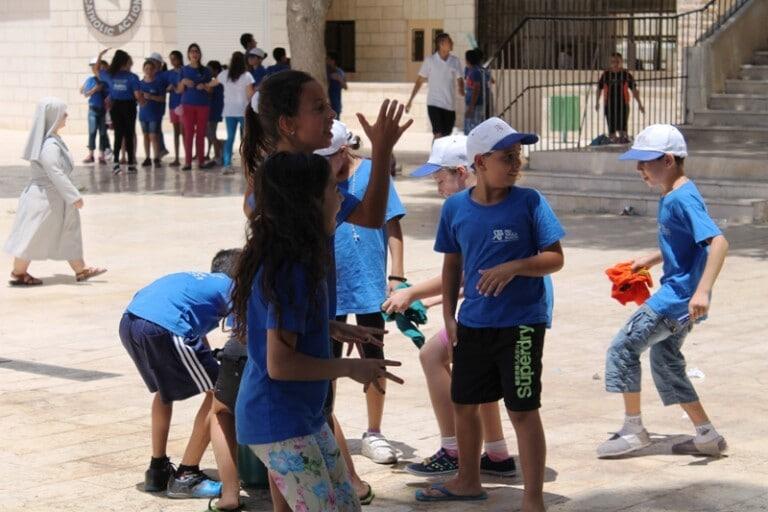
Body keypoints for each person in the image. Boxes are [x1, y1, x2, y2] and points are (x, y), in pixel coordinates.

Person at [240, 70, 413, 507]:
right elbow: (280, 360)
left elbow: (370, 217)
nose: (330, 113)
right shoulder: (291, 216)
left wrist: (329, 325)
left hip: (296, 407)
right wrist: (349, 369)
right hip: (280, 410)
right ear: (287, 123)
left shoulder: (304, 188)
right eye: (318, 107)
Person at [416, 117, 565, 511]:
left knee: (522, 410)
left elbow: (555, 258)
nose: (516, 164)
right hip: (473, 325)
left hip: (521, 326)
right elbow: (452, 266)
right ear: (480, 163)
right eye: (507, 157)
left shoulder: (530, 202)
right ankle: (467, 479)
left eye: (518, 156)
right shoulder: (455, 209)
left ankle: (533, 498)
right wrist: (449, 317)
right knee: (465, 404)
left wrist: (515, 266)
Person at [382, 135, 516, 478]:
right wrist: (431, 299)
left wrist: (408, 295)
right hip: (499, 307)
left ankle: (453, 448)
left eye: (441, 179)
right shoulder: (485, 203)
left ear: (462, 171)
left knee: (431, 356)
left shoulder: (471, 210)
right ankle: (497, 455)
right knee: (479, 375)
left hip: (496, 314)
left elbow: (461, 275)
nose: (439, 188)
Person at [598, 124, 729, 459]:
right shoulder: (674, 193)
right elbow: (689, 243)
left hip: (678, 299)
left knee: (623, 348)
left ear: (668, 160)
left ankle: (633, 430)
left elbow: (718, 242)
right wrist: (654, 258)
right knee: (665, 360)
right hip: (684, 298)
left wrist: (701, 291)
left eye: (645, 161)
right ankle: (706, 435)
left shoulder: (682, 197)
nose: (639, 168)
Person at [316, 120, 406, 465]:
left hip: (369, 283)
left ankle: (374, 431)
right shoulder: (318, 179)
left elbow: (392, 223)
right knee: (327, 361)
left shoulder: (372, 172)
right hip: (330, 288)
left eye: (328, 158)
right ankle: (325, 426)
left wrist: (396, 275)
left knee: (375, 357)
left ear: (342, 151)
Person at [118, 251, 240, 499]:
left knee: (165, 391)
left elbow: (196, 330)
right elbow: (245, 334)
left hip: (131, 321)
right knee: (221, 392)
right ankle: (187, 475)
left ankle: (158, 470)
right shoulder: (233, 287)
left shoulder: (199, 282)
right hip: (165, 326)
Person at [5, 97, 107, 285]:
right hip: (44, 200)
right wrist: (74, 196)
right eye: (63, 113)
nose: (66, 115)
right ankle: (18, 273)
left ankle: (80, 269)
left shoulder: (51, 140)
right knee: (32, 236)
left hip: (54, 198)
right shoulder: (49, 145)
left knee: (69, 231)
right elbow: (55, 172)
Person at [405, 33, 464, 139]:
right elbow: (419, 81)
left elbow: (460, 78)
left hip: (449, 106)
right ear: (441, 44)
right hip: (434, 103)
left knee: (446, 137)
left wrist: (461, 88)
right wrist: (410, 100)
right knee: (438, 134)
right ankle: (435, 155)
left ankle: (440, 154)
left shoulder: (455, 61)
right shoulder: (430, 61)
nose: (452, 43)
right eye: (449, 41)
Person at [99, 49, 141, 174]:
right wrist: (144, 102)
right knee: (129, 135)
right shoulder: (132, 77)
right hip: (129, 106)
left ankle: (116, 164)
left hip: (116, 106)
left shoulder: (110, 75)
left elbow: (96, 70)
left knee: (118, 135)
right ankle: (131, 165)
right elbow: (138, 95)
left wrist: (100, 56)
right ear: (125, 62)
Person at [176, 43, 217, 171]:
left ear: (200, 54)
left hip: (203, 106)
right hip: (187, 105)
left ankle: (201, 161)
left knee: (200, 134)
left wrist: (204, 86)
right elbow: (179, 90)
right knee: (188, 133)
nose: (194, 54)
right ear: (188, 54)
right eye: (192, 51)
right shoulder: (183, 70)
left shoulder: (206, 70)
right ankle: (187, 162)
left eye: (197, 51)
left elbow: (210, 90)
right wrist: (183, 82)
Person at [215, 51, 255, 174]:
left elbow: (213, 82)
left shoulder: (225, 74)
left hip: (229, 111)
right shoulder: (247, 76)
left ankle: (227, 165)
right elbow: (250, 95)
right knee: (246, 138)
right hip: (243, 111)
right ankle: (248, 164)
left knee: (230, 138)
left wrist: (205, 85)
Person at [596, 52, 645, 144]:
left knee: (623, 130)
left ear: (621, 62)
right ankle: (613, 147)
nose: (615, 64)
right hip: (609, 105)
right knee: (612, 130)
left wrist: (640, 104)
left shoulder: (626, 74)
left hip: (623, 105)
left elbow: (634, 90)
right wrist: (597, 102)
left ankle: (623, 146)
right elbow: (599, 88)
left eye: (617, 61)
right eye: (613, 61)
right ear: (610, 62)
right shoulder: (606, 74)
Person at [81, 56, 111, 164]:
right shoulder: (91, 80)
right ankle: (91, 154)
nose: (100, 71)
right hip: (92, 110)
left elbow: (110, 95)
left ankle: (102, 155)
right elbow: (85, 93)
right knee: (92, 132)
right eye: (99, 68)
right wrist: (95, 89)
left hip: (103, 110)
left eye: (103, 69)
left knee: (103, 133)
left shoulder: (107, 82)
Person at [138, 59, 167, 167]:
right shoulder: (140, 83)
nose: (148, 71)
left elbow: (163, 99)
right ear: (143, 70)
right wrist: (140, 99)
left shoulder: (158, 83)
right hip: (143, 114)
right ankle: (147, 157)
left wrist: (151, 97)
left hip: (154, 114)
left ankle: (156, 157)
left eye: (151, 69)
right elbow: (136, 97)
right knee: (145, 136)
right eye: (146, 69)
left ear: (154, 70)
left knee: (153, 136)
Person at [165, 50, 185, 167]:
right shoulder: (169, 73)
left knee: (184, 132)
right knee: (176, 132)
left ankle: (187, 156)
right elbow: (165, 87)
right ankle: (177, 157)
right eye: (171, 59)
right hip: (173, 105)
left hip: (183, 104)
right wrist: (169, 88)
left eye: (174, 59)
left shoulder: (185, 71)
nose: (173, 61)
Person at [463, 49, 487, 135]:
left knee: (475, 129)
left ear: (468, 60)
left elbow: (476, 89)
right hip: (470, 104)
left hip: (475, 106)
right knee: (469, 127)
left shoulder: (476, 72)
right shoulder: (469, 70)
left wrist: (471, 107)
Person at [205, 60, 224, 167]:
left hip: (214, 110)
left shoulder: (216, 81)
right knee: (210, 133)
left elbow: (210, 92)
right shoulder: (216, 80)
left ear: (216, 70)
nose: (208, 71)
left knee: (211, 133)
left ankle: (218, 154)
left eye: (210, 69)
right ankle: (217, 152)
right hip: (213, 109)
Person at [326, 52, 347, 119]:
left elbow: (345, 87)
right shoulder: (325, 71)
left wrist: (338, 79)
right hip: (327, 103)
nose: (326, 61)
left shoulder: (340, 72)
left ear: (333, 61)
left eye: (328, 59)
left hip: (336, 104)